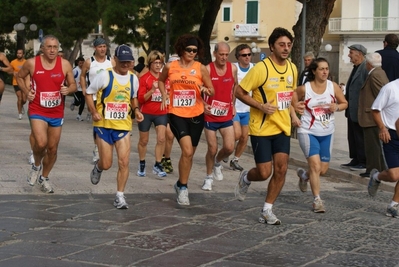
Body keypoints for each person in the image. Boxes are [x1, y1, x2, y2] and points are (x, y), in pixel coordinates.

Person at [234, 27, 298, 225]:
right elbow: (239, 91)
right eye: (281, 45)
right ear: (272, 47)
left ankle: (267, 210)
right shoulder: (262, 68)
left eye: (288, 44)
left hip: (282, 127)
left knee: (281, 169)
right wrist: (260, 105)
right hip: (261, 128)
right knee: (264, 172)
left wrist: (296, 110)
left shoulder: (293, 68)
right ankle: (246, 177)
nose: (286, 48)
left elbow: (289, 95)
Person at [158, 34, 214, 205]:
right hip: (176, 113)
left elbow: (212, 90)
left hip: (196, 114)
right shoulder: (170, 66)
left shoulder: (200, 68)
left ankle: (180, 183)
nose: (192, 53)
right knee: (187, 151)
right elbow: (161, 81)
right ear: (182, 49)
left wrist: (205, 89)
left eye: (195, 51)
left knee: (188, 155)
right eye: (189, 49)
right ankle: (183, 188)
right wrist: (164, 95)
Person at [16, 35, 77, 193]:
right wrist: (26, 91)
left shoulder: (64, 64)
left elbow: (73, 85)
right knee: (41, 143)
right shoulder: (32, 63)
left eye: (55, 47)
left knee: (52, 149)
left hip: (57, 111)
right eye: (49, 47)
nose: (52, 50)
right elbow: (19, 77)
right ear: (42, 49)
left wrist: (68, 89)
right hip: (37, 109)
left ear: (58, 49)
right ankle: (36, 165)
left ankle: (44, 177)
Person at [86, 44, 143, 209]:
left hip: (123, 126)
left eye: (128, 62)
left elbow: (133, 98)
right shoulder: (104, 76)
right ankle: (98, 167)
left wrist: (137, 110)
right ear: (115, 60)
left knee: (124, 162)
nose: (126, 65)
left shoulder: (133, 79)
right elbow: (89, 93)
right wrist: (93, 111)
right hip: (103, 126)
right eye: (122, 61)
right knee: (107, 163)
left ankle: (120, 196)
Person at [292, 58, 348, 213]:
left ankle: (304, 176)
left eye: (327, 69)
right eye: (321, 69)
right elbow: (292, 98)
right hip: (308, 131)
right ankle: (317, 200)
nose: (325, 72)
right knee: (315, 166)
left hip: (327, 132)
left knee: (322, 170)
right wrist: (296, 112)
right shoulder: (305, 88)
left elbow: (344, 103)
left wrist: (336, 107)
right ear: (314, 71)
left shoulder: (333, 86)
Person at [201, 42, 237, 191]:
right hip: (210, 115)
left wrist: (233, 104)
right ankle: (208, 177)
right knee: (212, 148)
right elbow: (198, 90)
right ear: (215, 53)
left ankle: (217, 162)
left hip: (226, 113)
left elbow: (236, 87)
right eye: (221, 54)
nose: (223, 57)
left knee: (229, 147)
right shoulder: (208, 69)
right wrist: (203, 104)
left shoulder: (232, 68)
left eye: (226, 54)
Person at [80, 37, 115, 163]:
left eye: (104, 47)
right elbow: (82, 76)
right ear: (95, 48)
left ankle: (106, 146)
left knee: (109, 123)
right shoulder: (90, 62)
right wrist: (84, 88)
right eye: (100, 47)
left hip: (109, 97)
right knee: (97, 123)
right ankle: (97, 149)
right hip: (94, 97)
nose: (102, 49)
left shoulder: (111, 61)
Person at [368, 78, 399, 218]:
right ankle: (376, 176)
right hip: (390, 134)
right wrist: (382, 128)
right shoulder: (390, 88)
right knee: (394, 175)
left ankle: (393, 205)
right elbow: (375, 110)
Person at [137, 50, 168, 178]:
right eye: (155, 62)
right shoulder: (144, 78)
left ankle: (158, 164)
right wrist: (153, 90)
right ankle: (142, 163)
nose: (158, 65)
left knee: (161, 138)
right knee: (144, 141)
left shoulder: (165, 78)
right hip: (146, 113)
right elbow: (140, 99)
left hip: (161, 112)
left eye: (160, 63)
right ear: (150, 63)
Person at [357, 53, 388, 177]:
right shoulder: (380, 72)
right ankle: (376, 168)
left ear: (368, 64)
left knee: (373, 145)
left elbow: (381, 95)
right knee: (372, 145)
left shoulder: (375, 74)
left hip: (372, 117)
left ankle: (373, 170)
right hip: (372, 116)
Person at [341, 44, 368, 172]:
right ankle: (355, 158)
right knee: (352, 136)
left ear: (359, 54)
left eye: (351, 52)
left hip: (360, 109)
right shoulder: (355, 67)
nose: (349, 55)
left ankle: (363, 161)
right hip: (351, 109)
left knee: (360, 136)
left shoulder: (365, 68)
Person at [229, 44, 254, 172]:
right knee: (237, 134)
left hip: (248, 109)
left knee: (245, 137)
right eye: (244, 55)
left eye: (249, 54)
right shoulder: (234, 68)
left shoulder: (255, 69)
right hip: (235, 107)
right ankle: (227, 149)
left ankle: (235, 160)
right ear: (238, 56)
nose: (247, 57)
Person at [9, 49, 27, 119]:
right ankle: (19, 113)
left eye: (20, 53)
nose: (18, 54)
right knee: (19, 97)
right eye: (17, 53)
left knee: (24, 99)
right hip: (16, 82)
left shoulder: (26, 62)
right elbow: (9, 71)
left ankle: (21, 105)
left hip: (25, 82)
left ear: (23, 54)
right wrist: (13, 72)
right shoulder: (13, 62)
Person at [70, 57, 86, 121]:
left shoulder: (86, 70)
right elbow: (70, 79)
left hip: (83, 89)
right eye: (80, 63)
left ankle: (79, 115)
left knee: (83, 102)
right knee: (78, 102)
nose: (81, 64)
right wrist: (73, 86)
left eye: (83, 63)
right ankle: (74, 102)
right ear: (78, 63)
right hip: (76, 89)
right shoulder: (75, 70)